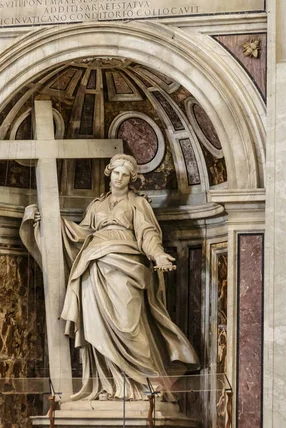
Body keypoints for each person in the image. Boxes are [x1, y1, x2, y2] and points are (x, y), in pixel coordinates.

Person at [29, 154, 199, 401]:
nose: (119, 178)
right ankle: (110, 386)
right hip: (93, 268)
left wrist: (159, 255)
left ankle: (145, 383)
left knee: (129, 325)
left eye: (125, 174)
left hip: (125, 265)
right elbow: (81, 233)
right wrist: (51, 223)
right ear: (109, 173)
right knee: (97, 328)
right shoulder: (96, 205)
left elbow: (148, 233)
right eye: (116, 172)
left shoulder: (138, 204)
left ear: (131, 179)